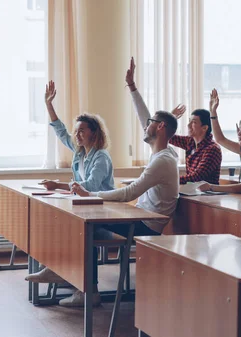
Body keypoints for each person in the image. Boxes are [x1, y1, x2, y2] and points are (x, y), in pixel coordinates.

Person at [70, 57, 179, 307]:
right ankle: (74, 280)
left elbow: (129, 193)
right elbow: (145, 117)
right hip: (138, 216)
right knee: (85, 222)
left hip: (147, 225)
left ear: (160, 128)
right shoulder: (161, 151)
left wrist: (94, 196)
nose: (145, 126)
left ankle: (89, 291)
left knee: (87, 226)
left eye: (150, 124)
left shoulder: (163, 160)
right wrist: (131, 87)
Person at [25, 80, 115, 292]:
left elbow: (90, 185)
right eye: (77, 131)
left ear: (94, 132)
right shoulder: (79, 153)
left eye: (82, 130)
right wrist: (49, 105)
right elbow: (61, 131)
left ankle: (67, 277)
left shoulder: (101, 157)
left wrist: (58, 186)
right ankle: (61, 271)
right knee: (55, 223)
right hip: (85, 210)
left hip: (103, 217)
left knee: (70, 229)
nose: (78, 134)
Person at [168, 104, 222, 184]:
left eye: (193, 122)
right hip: (193, 192)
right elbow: (167, 136)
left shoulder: (213, 149)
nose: (188, 125)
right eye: (189, 121)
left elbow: (197, 177)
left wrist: (168, 180)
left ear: (204, 128)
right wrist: (171, 117)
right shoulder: (190, 142)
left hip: (207, 195)